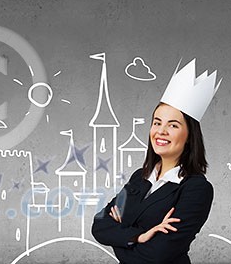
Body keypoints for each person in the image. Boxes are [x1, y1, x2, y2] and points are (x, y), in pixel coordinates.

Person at [92, 59, 221, 264]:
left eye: (173, 125)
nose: (161, 131)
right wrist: (140, 236)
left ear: (190, 136)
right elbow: (99, 226)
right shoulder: (140, 177)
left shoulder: (196, 189)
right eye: (157, 122)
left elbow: (157, 255)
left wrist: (121, 235)